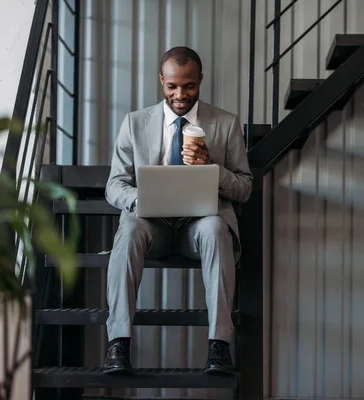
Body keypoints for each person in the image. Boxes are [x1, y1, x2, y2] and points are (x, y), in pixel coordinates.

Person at [102, 46, 253, 376]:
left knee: (215, 228)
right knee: (128, 230)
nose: (180, 95)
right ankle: (119, 343)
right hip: (151, 227)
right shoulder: (135, 123)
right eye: (172, 86)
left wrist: (212, 167)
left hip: (196, 229)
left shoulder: (225, 124)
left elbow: (244, 187)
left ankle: (219, 346)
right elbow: (114, 185)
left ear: (200, 80)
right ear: (161, 81)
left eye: (189, 86)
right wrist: (140, 201)